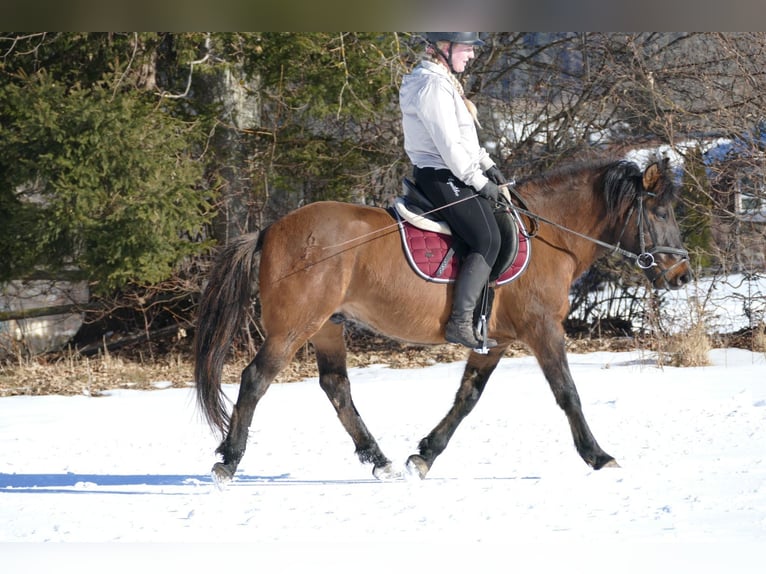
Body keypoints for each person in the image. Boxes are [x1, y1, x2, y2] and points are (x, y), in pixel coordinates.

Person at [399, 32, 507, 349]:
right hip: (441, 175)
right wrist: (479, 181)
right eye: (467, 48)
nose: (472, 55)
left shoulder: (443, 81)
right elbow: (448, 146)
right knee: (487, 239)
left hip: (454, 171)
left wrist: (487, 165)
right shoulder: (432, 86)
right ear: (444, 48)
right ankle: (460, 323)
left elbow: (464, 139)